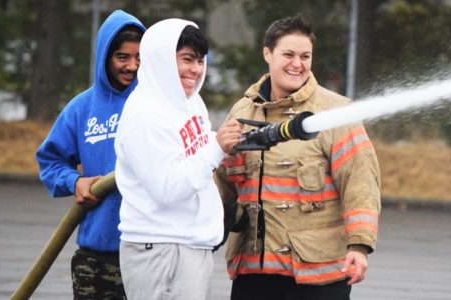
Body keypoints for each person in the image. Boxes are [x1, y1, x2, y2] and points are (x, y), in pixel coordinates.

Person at [214, 15, 381, 300]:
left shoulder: (336, 113)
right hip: (253, 272)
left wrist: (359, 246)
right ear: (267, 54)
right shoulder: (242, 111)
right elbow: (222, 186)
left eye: (305, 56)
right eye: (288, 54)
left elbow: (361, 185)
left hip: (318, 276)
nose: (298, 64)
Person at [114, 19, 242, 300]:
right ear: (160, 59)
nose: (195, 70)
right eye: (186, 59)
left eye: (199, 60)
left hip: (189, 244)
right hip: (160, 249)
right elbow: (166, 188)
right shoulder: (144, 116)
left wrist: (225, 140)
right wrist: (216, 149)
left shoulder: (189, 102)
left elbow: (192, 150)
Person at [35, 10, 145, 299]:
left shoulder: (154, 103)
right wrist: (75, 182)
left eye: (139, 57)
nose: (132, 66)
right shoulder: (81, 108)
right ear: (105, 56)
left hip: (148, 252)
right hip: (95, 257)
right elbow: (51, 160)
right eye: (123, 57)